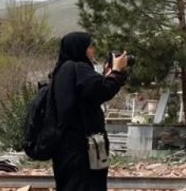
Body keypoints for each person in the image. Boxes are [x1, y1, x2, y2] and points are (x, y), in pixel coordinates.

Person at [51, 32, 128, 191]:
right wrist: (117, 71)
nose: (93, 50)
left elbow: (88, 94)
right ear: (80, 48)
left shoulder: (61, 70)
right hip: (82, 148)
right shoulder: (78, 68)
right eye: (90, 46)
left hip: (65, 146)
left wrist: (107, 75)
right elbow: (103, 91)